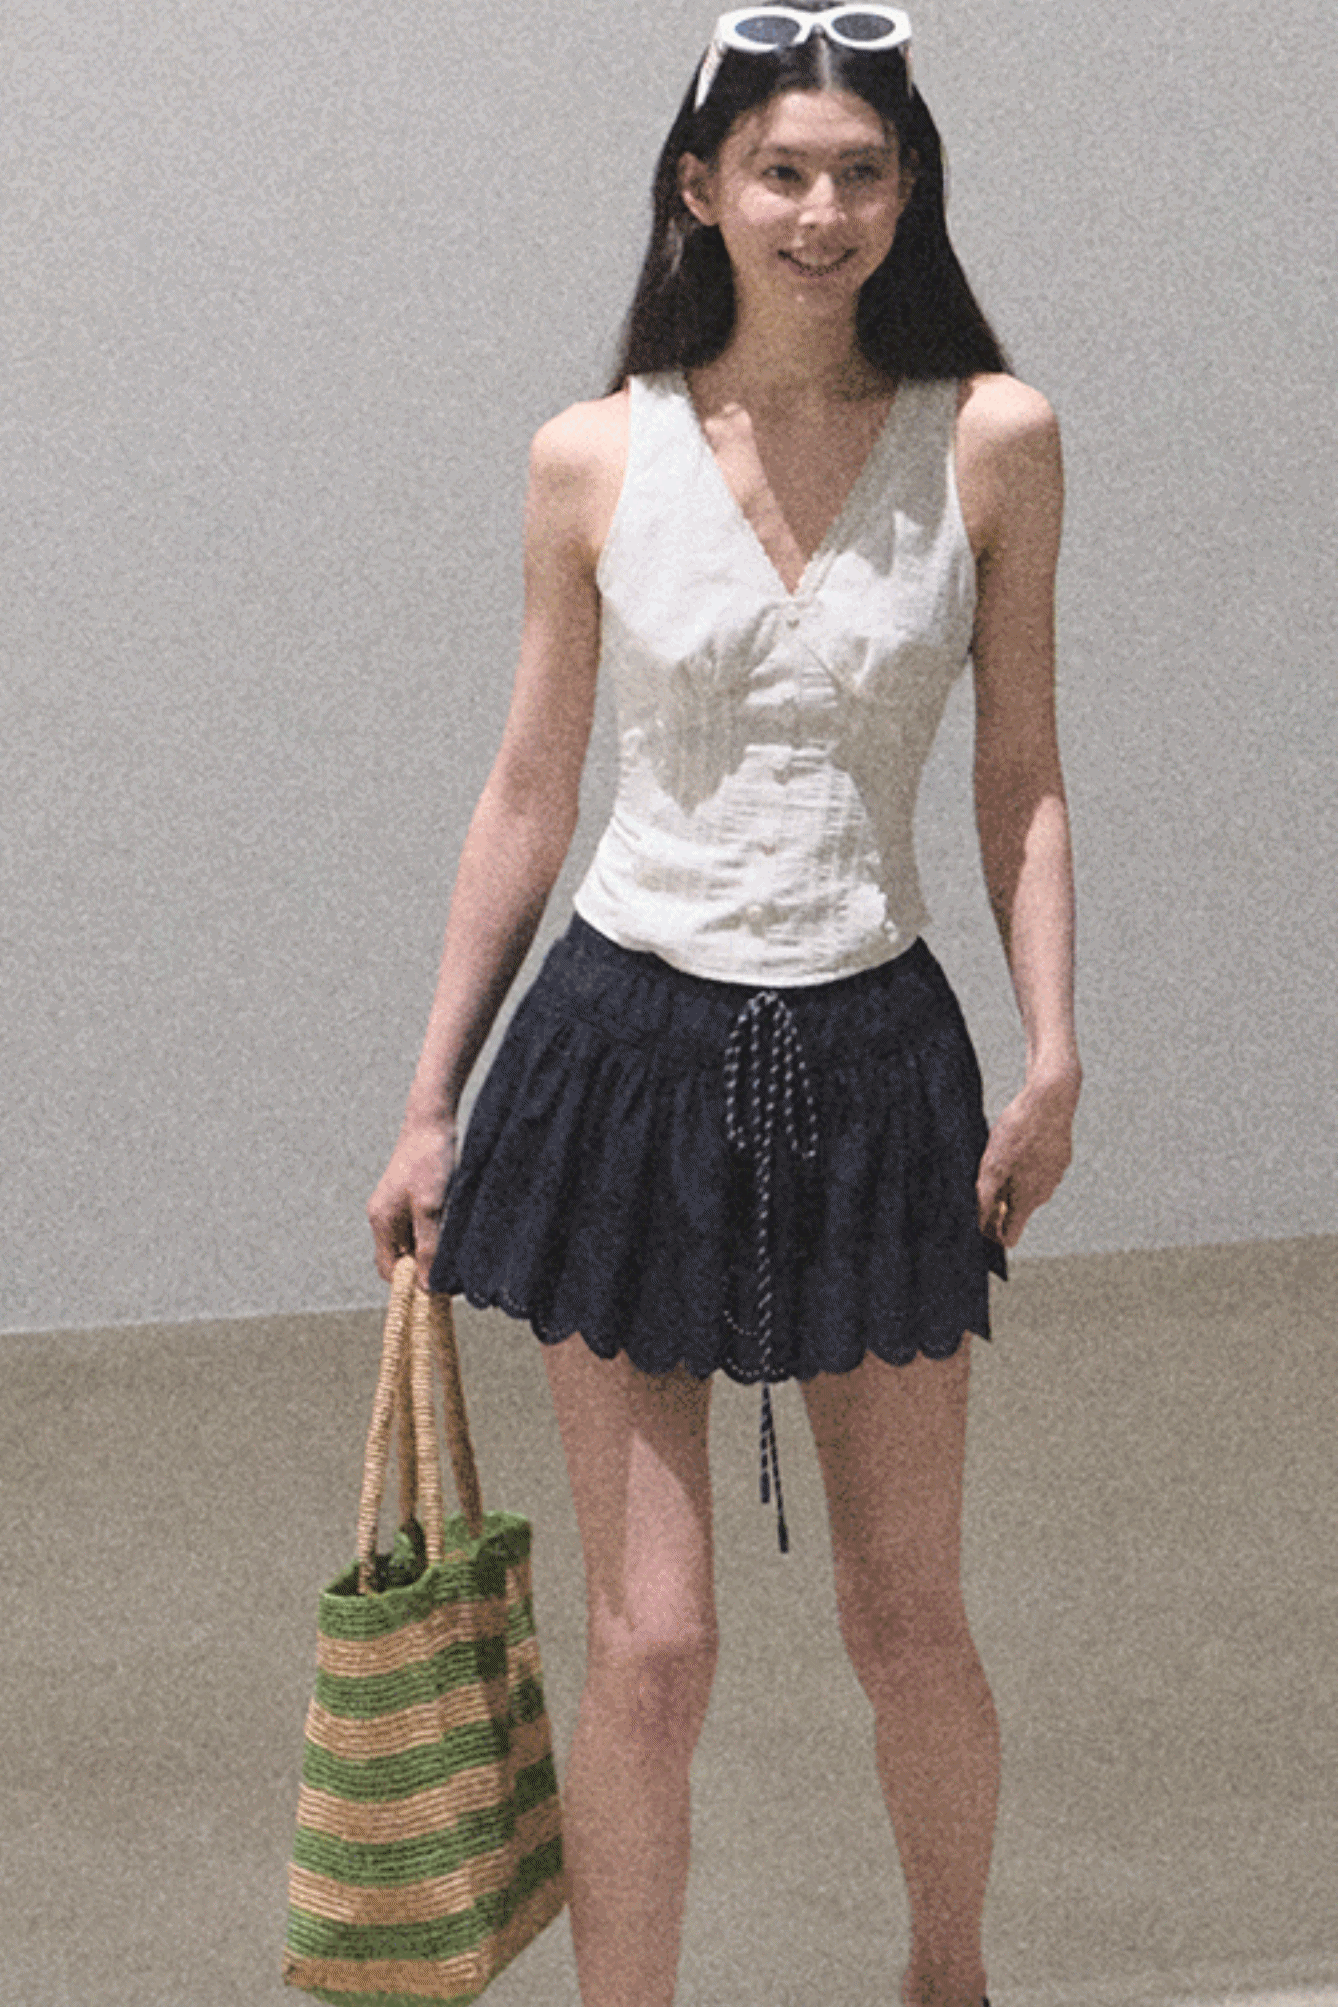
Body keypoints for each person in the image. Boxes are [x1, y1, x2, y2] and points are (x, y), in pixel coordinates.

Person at [368, 6, 1080, 2004]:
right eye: (781, 171)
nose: (820, 210)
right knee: (653, 1643)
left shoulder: (992, 439)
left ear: (907, 195)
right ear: (701, 190)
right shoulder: (593, 453)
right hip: (625, 1050)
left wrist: (1054, 1047)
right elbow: (531, 787)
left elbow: (1021, 771)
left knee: (907, 1619)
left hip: (875, 1047)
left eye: (861, 173)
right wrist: (428, 1099)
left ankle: (950, 1979)